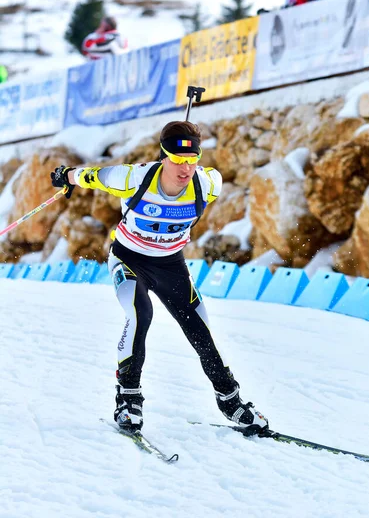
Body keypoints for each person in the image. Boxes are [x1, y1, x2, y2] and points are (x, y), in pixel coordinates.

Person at [50, 120, 268, 433]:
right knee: (141, 314)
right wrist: (65, 176)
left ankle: (230, 400)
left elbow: (212, 177)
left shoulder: (208, 183)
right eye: (178, 161)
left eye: (192, 161)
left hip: (170, 265)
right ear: (163, 157)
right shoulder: (133, 178)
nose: (185, 169)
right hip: (129, 260)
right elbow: (91, 176)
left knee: (200, 331)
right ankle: (128, 398)